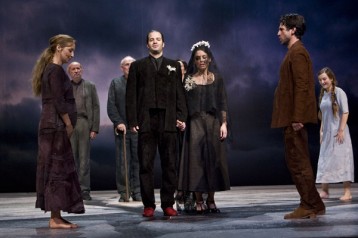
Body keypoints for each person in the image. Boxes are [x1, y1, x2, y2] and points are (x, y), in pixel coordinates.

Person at [126, 30, 188, 217]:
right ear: (147, 44)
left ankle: (168, 203)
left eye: (158, 39)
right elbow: (131, 95)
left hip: (168, 119)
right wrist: (133, 120)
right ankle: (149, 205)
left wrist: (181, 116)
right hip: (146, 120)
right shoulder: (137, 66)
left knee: (170, 163)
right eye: (151, 40)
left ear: (164, 43)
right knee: (145, 164)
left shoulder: (173, 66)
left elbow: (180, 93)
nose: (155, 42)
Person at [271, 13, 325, 219]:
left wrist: (298, 117)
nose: (278, 33)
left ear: (293, 30)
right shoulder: (293, 52)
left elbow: (303, 86)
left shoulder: (298, 53)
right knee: (296, 160)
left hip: (295, 119)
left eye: (282, 29)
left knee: (298, 161)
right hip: (292, 117)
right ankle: (315, 204)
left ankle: (309, 205)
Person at [31, 34, 84, 229]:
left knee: (57, 168)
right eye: (70, 50)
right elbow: (58, 101)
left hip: (52, 125)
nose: (71, 55)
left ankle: (56, 216)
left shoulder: (52, 70)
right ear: (59, 48)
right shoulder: (55, 71)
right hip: (55, 126)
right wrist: (68, 124)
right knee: (56, 169)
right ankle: (54, 219)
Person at [178, 41, 230, 214]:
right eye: (198, 58)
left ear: (209, 60)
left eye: (204, 58)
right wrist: (182, 120)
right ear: (194, 60)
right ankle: (199, 200)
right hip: (194, 124)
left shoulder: (216, 79)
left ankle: (211, 200)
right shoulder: (190, 79)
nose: (201, 60)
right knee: (195, 162)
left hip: (212, 123)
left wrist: (223, 123)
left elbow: (222, 102)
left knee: (212, 161)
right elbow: (185, 103)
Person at [315, 67, 354, 201]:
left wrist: (341, 130)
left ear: (331, 78)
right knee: (325, 160)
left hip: (339, 131)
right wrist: (321, 131)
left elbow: (345, 112)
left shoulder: (339, 92)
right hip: (326, 132)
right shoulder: (323, 95)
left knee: (342, 159)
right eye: (320, 80)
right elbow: (323, 116)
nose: (322, 81)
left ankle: (347, 192)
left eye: (324, 79)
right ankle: (325, 191)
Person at [107, 56, 141, 202]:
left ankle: (138, 192)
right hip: (122, 128)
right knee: (123, 161)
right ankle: (124, 191)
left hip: (138, 128)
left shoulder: (141, 84)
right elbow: (111, 105)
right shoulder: (116, 83)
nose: (130, 67)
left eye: (132, 64)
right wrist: (118, 122)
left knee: (138, 161)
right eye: (127, 65)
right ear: (122, 67)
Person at [67, 62, 100, 201]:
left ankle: (84, 190)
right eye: (73, 69)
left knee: (84, 159)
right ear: (69, 71)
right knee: (71, 158)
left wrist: (94, 128)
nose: (76, 71)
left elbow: (96, 107)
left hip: (84, 122)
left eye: (78, 68)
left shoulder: (90, 86)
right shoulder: (65, 87)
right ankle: (71, 190)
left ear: (82, 70)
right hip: (69, 123)